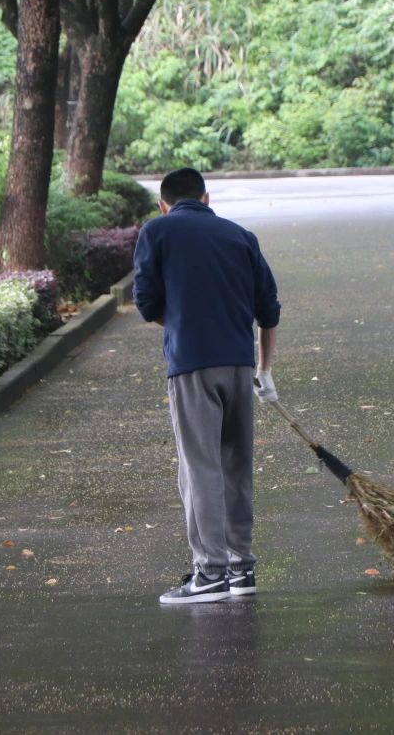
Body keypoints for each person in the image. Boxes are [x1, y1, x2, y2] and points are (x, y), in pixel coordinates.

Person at [133, 167, 281, 604]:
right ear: (206, 197)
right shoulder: (240, 237)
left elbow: (146, 304)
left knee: (198, 468)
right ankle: (241, 568)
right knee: (236, 465)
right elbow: (268, 310)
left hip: (191, 365)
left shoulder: (156, 232)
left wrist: (181, 319)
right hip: (239, 365)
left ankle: (210, 573)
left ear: (164, 203)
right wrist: (265, 369)